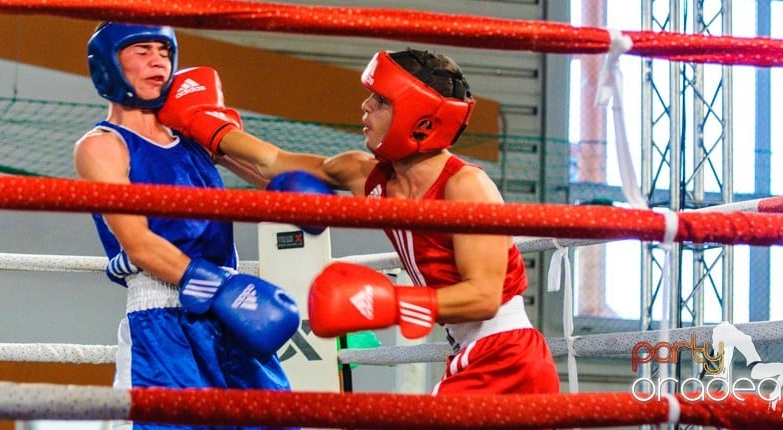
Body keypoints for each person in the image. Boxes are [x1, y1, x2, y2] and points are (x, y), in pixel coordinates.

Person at [157, 47, 561, 397]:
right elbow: (278, 168)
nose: (365, 107)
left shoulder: (466, 185)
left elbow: (485, 296)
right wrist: (208, 132)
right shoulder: (366, 174)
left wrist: (389, 303)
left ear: (419, 117)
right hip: (470, 353)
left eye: (380, 100)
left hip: (506, 355)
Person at [73, 22, 299, 430]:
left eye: (164, 51)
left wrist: (223, 131)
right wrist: (218, 287)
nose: (157, 60)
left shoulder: (192, 134)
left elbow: (276, 184)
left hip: (232, 314)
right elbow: (138, 243)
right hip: (165, 316)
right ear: (108, 63)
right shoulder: (103, 145)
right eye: (141, 51)